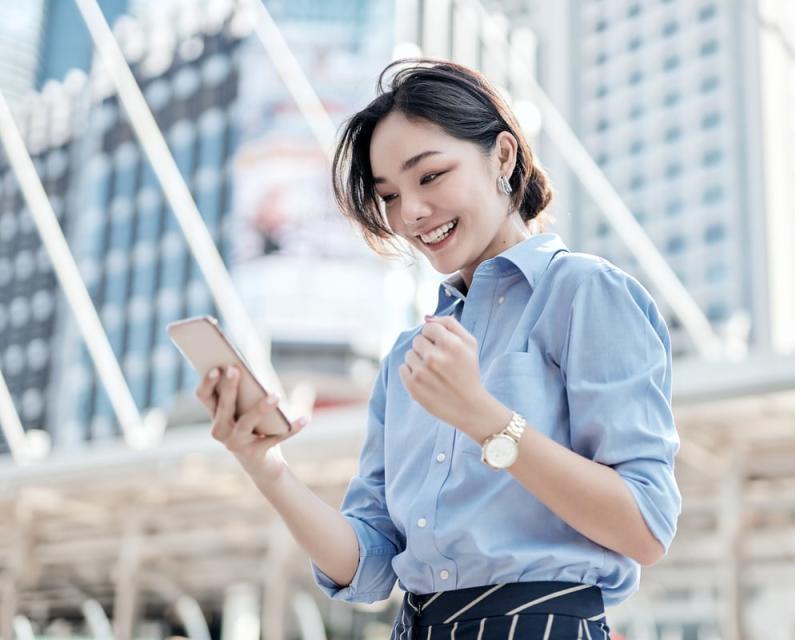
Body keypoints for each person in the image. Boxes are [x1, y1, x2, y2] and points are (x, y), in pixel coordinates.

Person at [195, 58, 681, 639]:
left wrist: (482, 417)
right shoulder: (409, 357)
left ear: (502, 156)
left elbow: (646, 527)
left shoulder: (582, 293)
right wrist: (266, 466)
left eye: (429, 177)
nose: (410, 214)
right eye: (389, 196)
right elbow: (370, 567)